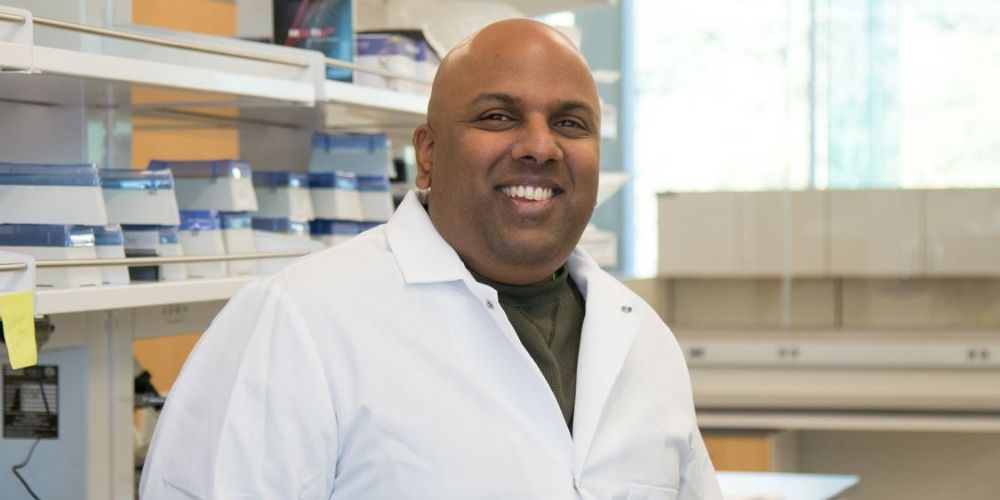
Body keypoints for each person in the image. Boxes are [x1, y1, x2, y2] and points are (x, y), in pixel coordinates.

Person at [140, 19, 722, 500]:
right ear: (428, 154)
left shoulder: (643, 340)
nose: (540, 147)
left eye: (570, 123)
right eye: (498, 116)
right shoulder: (296, 322)